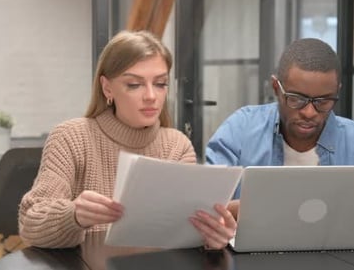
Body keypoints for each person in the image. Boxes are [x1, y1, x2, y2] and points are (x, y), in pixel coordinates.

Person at [19, 30, 236, 249]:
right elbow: (30, 222)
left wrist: (210, 238)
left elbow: (184, 234)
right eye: (134, 84)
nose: (151, 96)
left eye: (160, 84)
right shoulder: (71, 137)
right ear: (107, 88)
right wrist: (73, 215)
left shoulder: (177, 145)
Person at [206, 38, 354, 242]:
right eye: (296, 99)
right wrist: (249, 210)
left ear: (337, 91)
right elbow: (203, 214)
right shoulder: (240, 130)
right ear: (276, 87)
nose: (310, 112)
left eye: (324, 101)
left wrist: (339, 229)